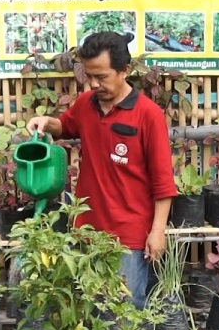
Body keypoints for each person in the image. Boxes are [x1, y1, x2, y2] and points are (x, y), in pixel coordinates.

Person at [26, 31, 177, 310]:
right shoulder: (86, 104)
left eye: (102, 77)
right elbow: (65, 126)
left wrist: (158, 231)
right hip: (87, 230)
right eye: (89, 76)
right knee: (90, 311)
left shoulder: (148, 114)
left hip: (128, 235)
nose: (94, 84)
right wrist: (45, 121)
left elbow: (163, 181)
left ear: (124, 71)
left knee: (123, 313)